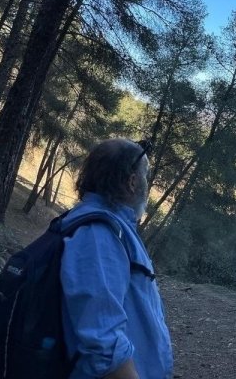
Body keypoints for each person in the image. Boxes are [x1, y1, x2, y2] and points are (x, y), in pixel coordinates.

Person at [60, 138, 173, 379]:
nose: (147, 184)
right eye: (146, 176)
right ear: (132, 182)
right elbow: (102, 343)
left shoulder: (114, 228)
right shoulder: (99, 236)